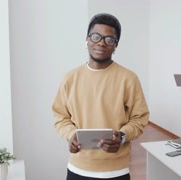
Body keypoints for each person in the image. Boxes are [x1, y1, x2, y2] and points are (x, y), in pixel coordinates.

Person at [52, 13, 149, 180]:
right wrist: (70, 134)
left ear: (115, 45)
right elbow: (60, 116)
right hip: (77, 168)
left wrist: (122, 136)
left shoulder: (128, 78)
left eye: (109, 39)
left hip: (116, 171)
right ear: (87, 39)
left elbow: (139, 118)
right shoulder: (70, 78)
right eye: (96, 36)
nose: (101, 43)